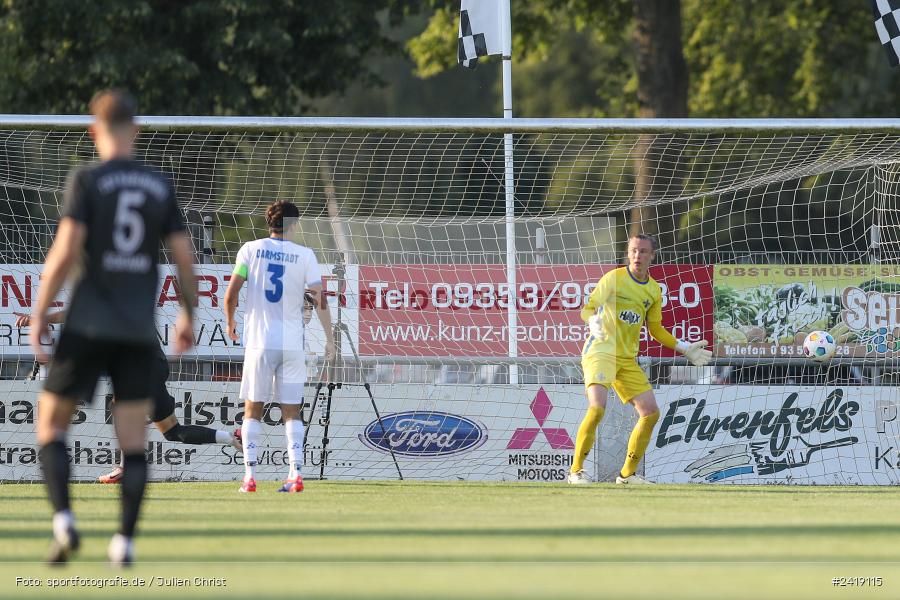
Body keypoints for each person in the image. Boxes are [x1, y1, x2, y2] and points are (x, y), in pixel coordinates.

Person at [31, 89, 197, 565]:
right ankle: (123, 541)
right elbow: (184, 258)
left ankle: (64, 521)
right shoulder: (159, 184)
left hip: (85, 325)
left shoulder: (87, 179)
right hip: (137, 331)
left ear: (94, 130)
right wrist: (189, 315)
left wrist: (40, 312)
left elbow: (65, 251)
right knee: (134, 439)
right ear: (136, 130)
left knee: (50, 425)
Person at [15, 310, 240, 483]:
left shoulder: (111, 294)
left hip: (141, 367)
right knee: (173, 432)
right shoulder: (129, 294)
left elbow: (74, 313)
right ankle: (233, 438)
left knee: (120, 407)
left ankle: (124, 468)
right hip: (154, 365)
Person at [568, 234, 711, 485]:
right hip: (600, 351)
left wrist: (684, 347)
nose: (637, 255)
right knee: (597, 407)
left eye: (643, 251)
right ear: (628, 253)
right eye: (633, 250)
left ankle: (627, 475)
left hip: (626, 359)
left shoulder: (653, 290)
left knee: (651, 413)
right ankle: (576, 472)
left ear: (652, 256)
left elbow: (656, 329)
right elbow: (587, 308)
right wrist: (593, 320)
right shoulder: (614, 278)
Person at [224, 200, 335, 493]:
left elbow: (231, 294)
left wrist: (230, 322)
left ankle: (249, 478)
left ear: (268, 222)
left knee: (252, 410)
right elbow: (320, 298)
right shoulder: (304, 255)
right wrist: (329, 338)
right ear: (294, 225)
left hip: (259, 342)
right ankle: (295, 474)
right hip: (292, 344)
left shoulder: (250, 249)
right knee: (292, 411)